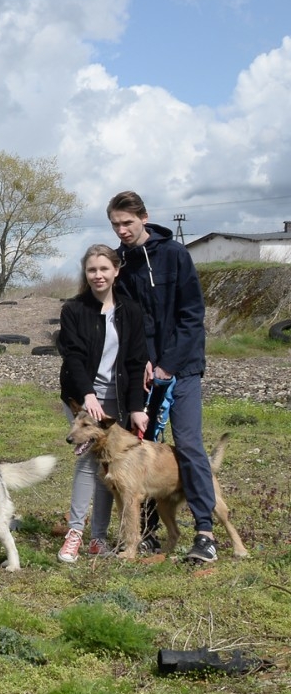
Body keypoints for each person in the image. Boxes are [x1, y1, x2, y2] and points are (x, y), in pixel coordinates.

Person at [108, 190, 220, 564]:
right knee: (143, 448)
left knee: (187, 445)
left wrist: (168, 365)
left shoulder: (175, 255)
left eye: (127, 222)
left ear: (144, 218)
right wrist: (141, 361)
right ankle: (148, 534)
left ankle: (205, 533)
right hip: (144, 371)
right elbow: (126, 319)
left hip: (182, 369)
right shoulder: (120, 262)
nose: (122, 230)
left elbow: (192, 316)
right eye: (115, 224)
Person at [56, 244, 150, 562]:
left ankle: (98, 538)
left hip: (118, 397)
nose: (98, 275)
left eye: (103, 269)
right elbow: (75, 357)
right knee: (86, 461)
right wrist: (88, 396)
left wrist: (137, 408)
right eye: (92, 270)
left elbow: (137, 362)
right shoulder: (74, 309)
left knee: (110, 466)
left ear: (116, 271)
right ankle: (75, 534)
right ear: (86, 273)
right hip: (84, 395)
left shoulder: (131, 310)